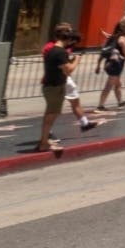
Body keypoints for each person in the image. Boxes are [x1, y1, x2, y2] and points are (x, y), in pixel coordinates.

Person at [37, 24, 98, 152]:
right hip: (54, 87)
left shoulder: (53, 49)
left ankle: (45, 140)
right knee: (51, 114)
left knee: (52, 113)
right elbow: (69, 70)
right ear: (67, 39)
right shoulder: (60, 52)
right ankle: (44, 142)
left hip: (52, 85)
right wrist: (76, 60)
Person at [95, 17, 125, 110]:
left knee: (118, 84)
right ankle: (101, 105)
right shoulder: (124, 39)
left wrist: (98, 64)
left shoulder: (112, 37)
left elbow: (104, 51)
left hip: (109, 63)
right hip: (116, 64)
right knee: (109, 85)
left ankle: (120, 102)